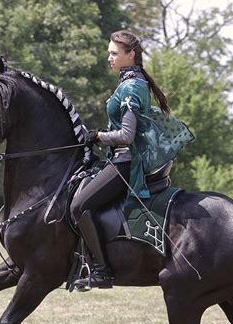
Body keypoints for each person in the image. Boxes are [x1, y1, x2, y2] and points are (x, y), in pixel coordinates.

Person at [72, 30, 193, 291]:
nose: (109, 58)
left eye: (114, 53)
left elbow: (126, 136)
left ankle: (102, 270)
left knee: (79, 206)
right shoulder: (130, 81)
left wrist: (99, 136)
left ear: (131, 55)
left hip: (126, 162)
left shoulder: (132, 86)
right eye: (109, 53)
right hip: (118, 158)